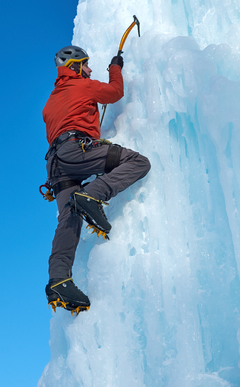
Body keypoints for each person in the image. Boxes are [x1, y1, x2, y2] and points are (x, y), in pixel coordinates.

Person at [42, 45, 151, 314]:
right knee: (139, 162)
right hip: (76, 150)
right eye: (86, 65)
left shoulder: (51, 101)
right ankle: (93, 194)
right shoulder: (83, 86)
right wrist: (115, 68)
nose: (89, 70)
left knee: (69, 217)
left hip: (55, 165)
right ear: (75, 68)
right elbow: (115, 92)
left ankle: (59, 280)